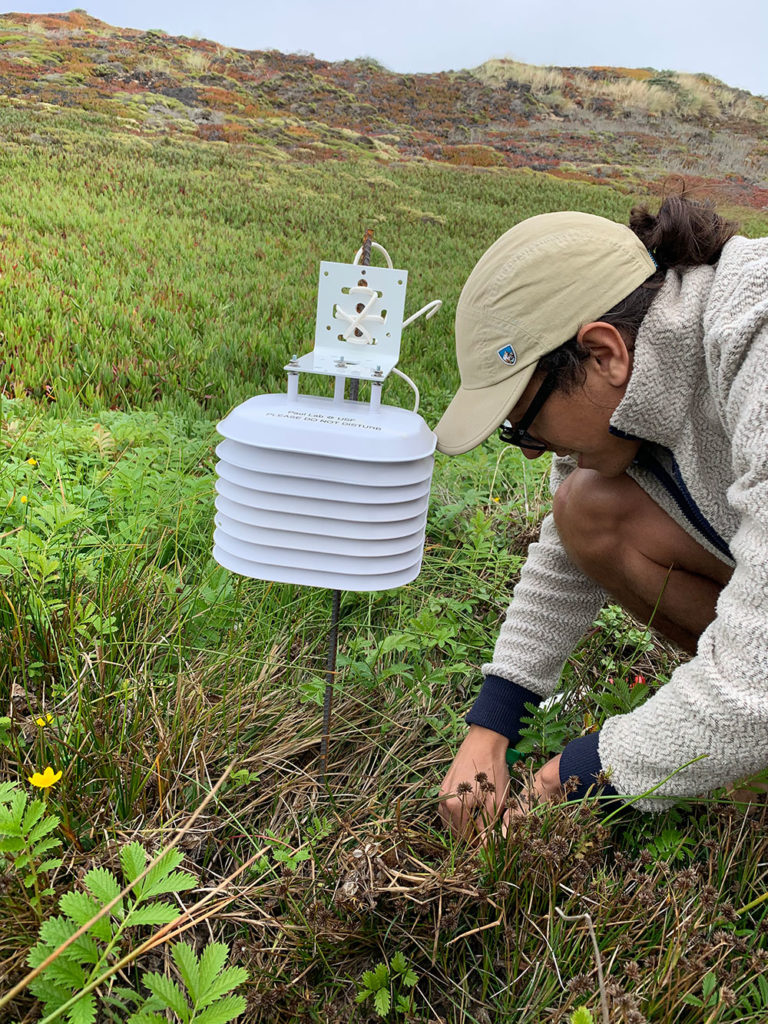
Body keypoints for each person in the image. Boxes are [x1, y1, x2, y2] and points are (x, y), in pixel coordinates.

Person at [434, 198, 768, 836]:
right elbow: (565, 551)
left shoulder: (756, 340)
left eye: (523, 421)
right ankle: (730, 737)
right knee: (588, 505)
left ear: (603, 352)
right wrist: (492, 726)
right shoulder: (634, 386)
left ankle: (737, 731)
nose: (530, 447)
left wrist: (578, 773)